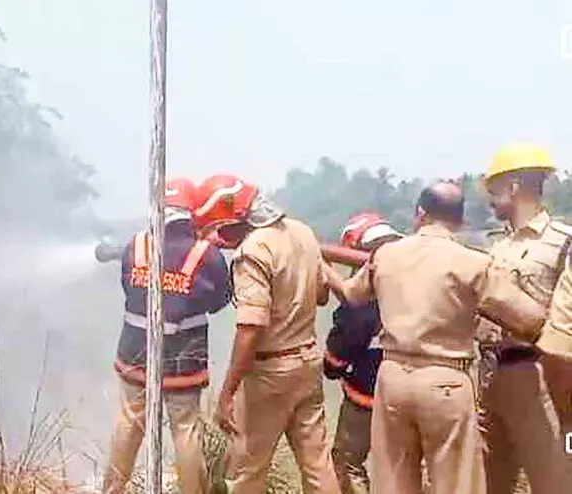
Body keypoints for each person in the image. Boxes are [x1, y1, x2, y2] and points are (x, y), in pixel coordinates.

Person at [325, 181, 549, 494]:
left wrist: (323, 266)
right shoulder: (472, 262)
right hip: (445, 382)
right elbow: (530, 321)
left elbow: (351, 294)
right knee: (455, 482)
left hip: (392, 380)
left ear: (420, 213)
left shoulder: (385, 256)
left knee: (393, 483)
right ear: (460, 221)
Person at [195, 173, 340, 494]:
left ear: (234, 220)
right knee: (317, 464)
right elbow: (321, 295)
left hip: (269, 374)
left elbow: (251, 328)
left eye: (222, 229)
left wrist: (227, 393)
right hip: (307, 362)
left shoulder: (252, 251)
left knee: (247, 469)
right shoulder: (302, 232)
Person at [101, 177, 231, 494]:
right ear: (192, 213)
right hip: (184, 357)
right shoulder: (206, 254)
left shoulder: (136, 245)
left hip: (135, 351)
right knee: (185, 428)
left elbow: (128, 288)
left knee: (129, 421)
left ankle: (112, 489)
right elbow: (219, 301)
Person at [476, 142, 572, 493]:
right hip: (490, 375)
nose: (490, 200)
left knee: (554, 479)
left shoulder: (563, 242)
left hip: (540, 376)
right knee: (488, 482)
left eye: (494, 190)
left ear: (513, 186)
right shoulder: (497, 245)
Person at [324, 213, 404, 494]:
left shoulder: (370, 281)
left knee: (348, 461)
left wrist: (331, 365)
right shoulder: (416, 267)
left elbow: (349, 335)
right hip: (420, 386)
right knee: (405, 465)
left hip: (369, 391)